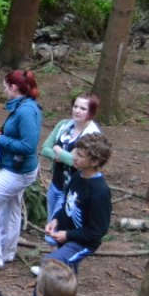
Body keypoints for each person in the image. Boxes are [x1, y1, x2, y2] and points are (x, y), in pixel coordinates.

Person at [0, 69, 42, 268]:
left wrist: (0, 139)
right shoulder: (24, 106)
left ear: (13, 87)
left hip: (17, 172)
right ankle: (7, 252)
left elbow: (29, 146)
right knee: (11, 208)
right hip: (17, 168)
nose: (4, 90)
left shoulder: (25, 111)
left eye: (5, 87)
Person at [34, 133, 113, 281]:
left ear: (95, 161)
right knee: (65, 277)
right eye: (76, 152)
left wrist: (68, 235)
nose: (74, 157)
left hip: (82, 242)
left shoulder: (99, 192)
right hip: (67, 235)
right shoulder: (76, 177)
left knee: (51, 265)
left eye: (80, 156)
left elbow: (98, 230)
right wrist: (56, 220)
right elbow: (67, 205)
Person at [39, 93, 101, 226]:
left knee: (57, 229)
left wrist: (59, 151)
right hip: (55, 184)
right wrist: (64, 156)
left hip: (73, 190)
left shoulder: (93, 135)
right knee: (50, 226)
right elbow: (44, 149)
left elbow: (80, 163)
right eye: (75, 106)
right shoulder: (64, 125)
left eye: (83, 108)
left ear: (91, 112)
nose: (77, 111)